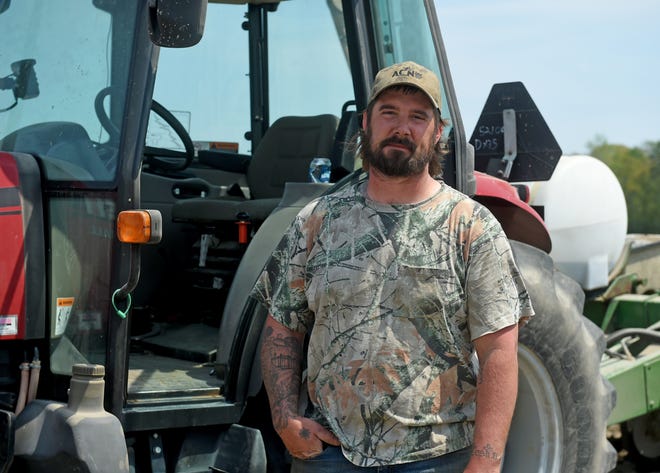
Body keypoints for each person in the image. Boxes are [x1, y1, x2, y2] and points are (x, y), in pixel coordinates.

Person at [253, 61, 533, 473]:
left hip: (434, 458)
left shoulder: (471, 226)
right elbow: (282, 327)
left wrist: (487, 462)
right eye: (389, 113)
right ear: (365, 122)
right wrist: (285, 419)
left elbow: (499, 352)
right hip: (331, 454)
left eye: (418, 117)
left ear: (438, 133)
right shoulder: (316, 221)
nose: (402, 127)